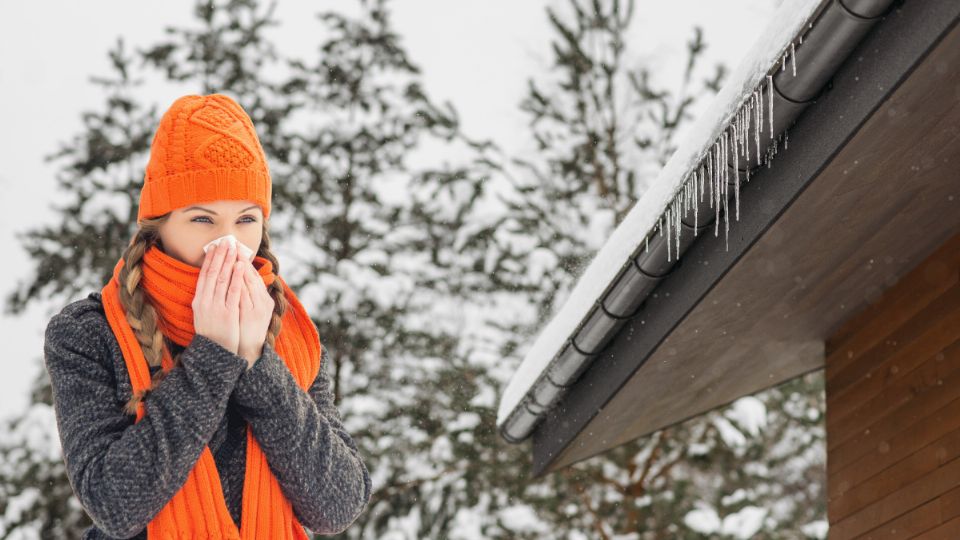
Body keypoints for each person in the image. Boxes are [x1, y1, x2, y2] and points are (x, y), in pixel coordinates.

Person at [42, 93, 372, 539]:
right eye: (203, 219)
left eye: (246, 220)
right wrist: (213, 357)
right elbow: (114, 504)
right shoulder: (88, 333)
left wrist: (257, 363)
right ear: (158, 225)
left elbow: (338, 506)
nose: (228, 242)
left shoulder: (290, 333)